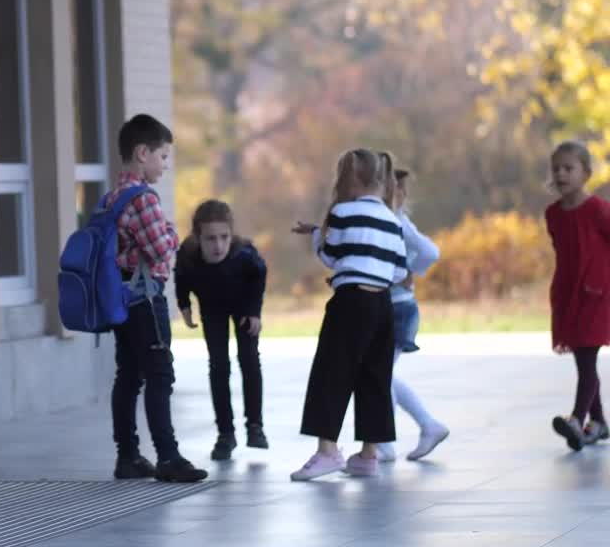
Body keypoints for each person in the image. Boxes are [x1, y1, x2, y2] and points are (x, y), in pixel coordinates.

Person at [289, 149, 407, 481]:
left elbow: (330, 255)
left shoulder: (342, 211)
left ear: (351, 178)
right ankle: (369, 454)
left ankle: (327, 450)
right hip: (383, 305)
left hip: (349, 303)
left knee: (331, 372)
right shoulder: (392, 219)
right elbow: (399, 271)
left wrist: (316, 237)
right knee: (375, 377)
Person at [108, 114, 207, 483]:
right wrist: (171, 231)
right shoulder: (143, 199)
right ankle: (168, 456)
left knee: (128, 376)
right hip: (146, 300)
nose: (166, 165)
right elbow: (163, 249)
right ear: (142, 153)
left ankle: (128, 455)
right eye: (163, 157)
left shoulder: (113, 196)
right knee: (159, 375)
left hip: (121, 299)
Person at [175, 199, 268, 461]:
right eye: (210, 239)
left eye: (224, 237)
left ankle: (255, 426)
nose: (218, 246)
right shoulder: (188, 254)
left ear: (232, 234)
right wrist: (184, 306)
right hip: (212, 308)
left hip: (242, 305)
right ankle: (225, 433)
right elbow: (180, 276)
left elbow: (259, 275)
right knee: (218, 365)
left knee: (249, 360)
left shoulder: (243, 253)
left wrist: (254, 312)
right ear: (198, 238)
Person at [378, 168, 449, 462]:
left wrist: (409, 271)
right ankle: (425, 426)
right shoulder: (390, 221)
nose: (398, 195)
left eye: (400, 190)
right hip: (393, 307)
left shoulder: (398, 222)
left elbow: (431, 252)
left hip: (398, 309)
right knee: (381, 374)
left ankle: (385, 443)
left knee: (379, 376)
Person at [545, 141, 610, 451]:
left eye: (568, 168)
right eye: (556, 168)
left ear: (585, 173)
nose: (561, 174)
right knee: (582, 359)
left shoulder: (598, 209)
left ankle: (577, 418)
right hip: (568, 295)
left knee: (587, 357)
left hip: (597, 295)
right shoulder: (553, 214)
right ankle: (598, 423)